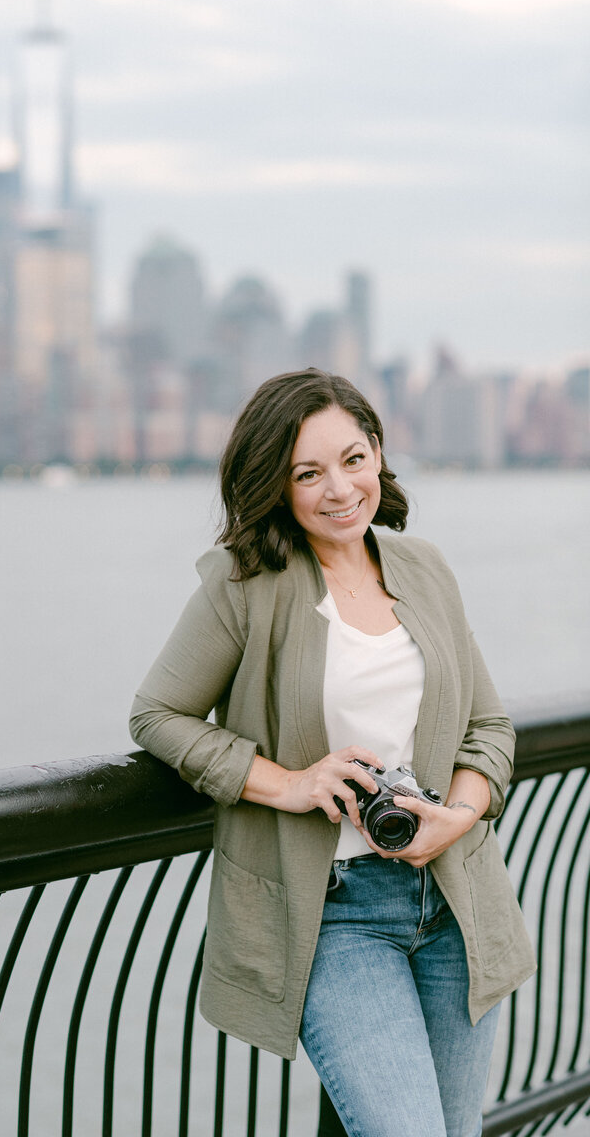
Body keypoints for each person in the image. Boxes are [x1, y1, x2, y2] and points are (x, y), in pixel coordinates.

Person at [130, 369, 536, 1137]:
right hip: (335, 916)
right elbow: (157, 714)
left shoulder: (424, 569)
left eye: (353, 459)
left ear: (378, 452)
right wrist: (285, 783)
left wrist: (457, 814)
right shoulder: (243, 584)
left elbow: (489, 727)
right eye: (307, 473)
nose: (339, 489)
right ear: (276, 487)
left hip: (451, 900)